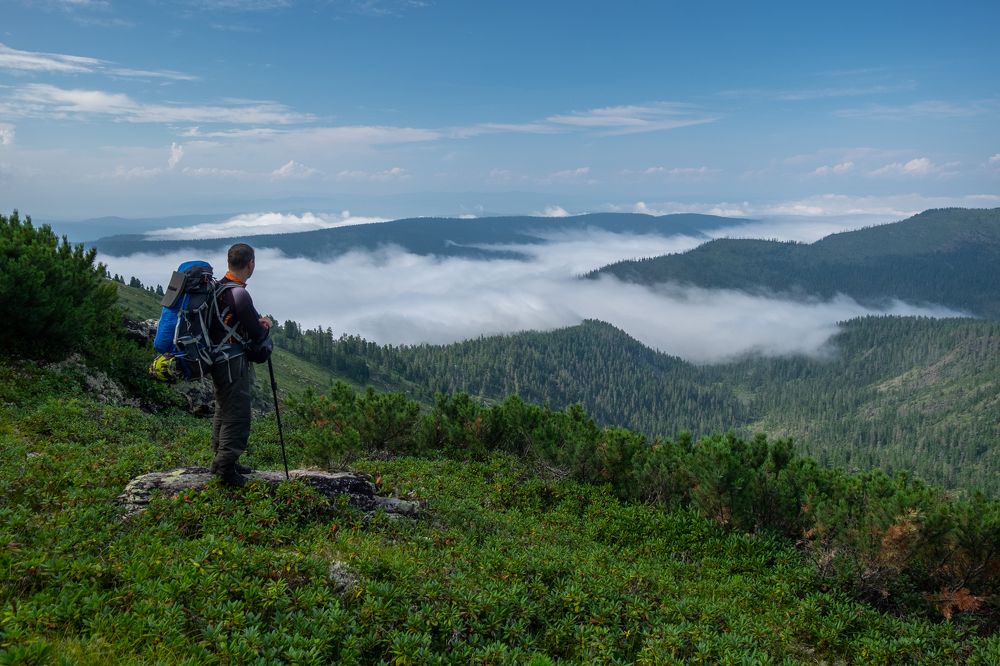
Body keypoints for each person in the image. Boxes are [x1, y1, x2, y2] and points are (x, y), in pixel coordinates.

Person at [208, 243, 273, 486]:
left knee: (224, 409)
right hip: (231, 360)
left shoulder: (218, 287)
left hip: (217, 357)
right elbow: (256, 333)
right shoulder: (239, 294)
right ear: (251, 264)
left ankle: (222, 460)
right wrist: (265, 325)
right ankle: (225, 469)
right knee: (237, 414)